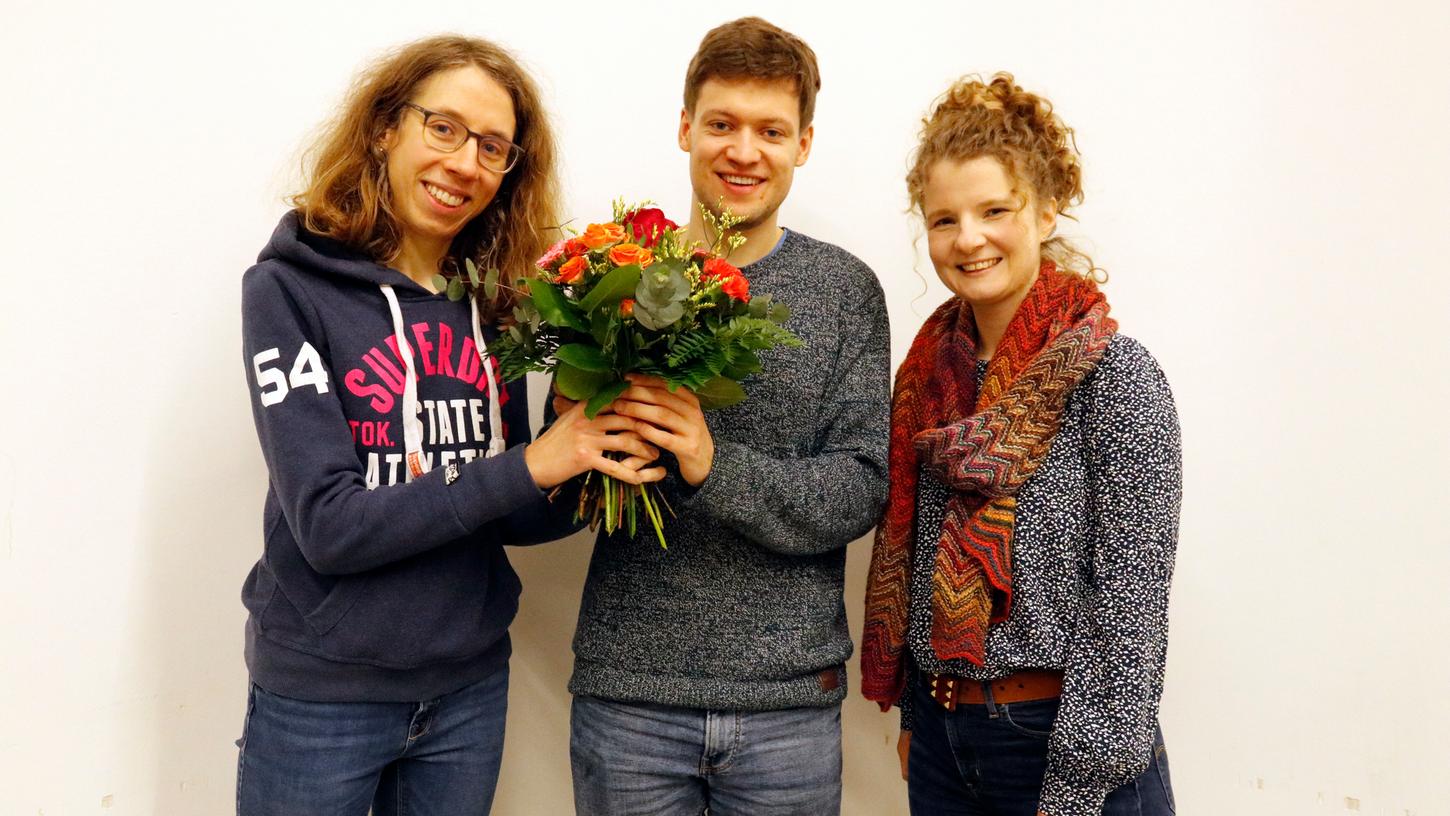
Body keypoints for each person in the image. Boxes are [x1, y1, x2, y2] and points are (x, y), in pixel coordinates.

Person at [235, 35, 661, 816]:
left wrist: (587, 460)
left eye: (492, 147)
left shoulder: (495, 303)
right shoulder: (287, 291)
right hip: (324, 693)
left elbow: (498, 508)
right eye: (444, 128)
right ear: (384, 128)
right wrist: (532, 463)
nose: (465, 162)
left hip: (467, 689)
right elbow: (329, 525)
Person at [562, 16, 892, 816]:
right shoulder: (613, 275)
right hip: (629, 694)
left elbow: (860, 490)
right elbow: (565, 471)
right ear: (685, 128)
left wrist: (712, 463)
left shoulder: (845, 291)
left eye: (770, 130)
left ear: (803, 143)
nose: (744, 151)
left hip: (789, 706)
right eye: (722, 124)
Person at [860, 74, 1182, 816]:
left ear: (1043, 210)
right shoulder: (929, 382)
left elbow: (1129, 602)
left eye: (993, 210)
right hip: (945, 743)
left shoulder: (1114, 376)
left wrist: (1075, 784)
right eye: (944, 219)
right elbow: (921, 576)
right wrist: (921, 717)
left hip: (1065, 745)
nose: (967, 238)